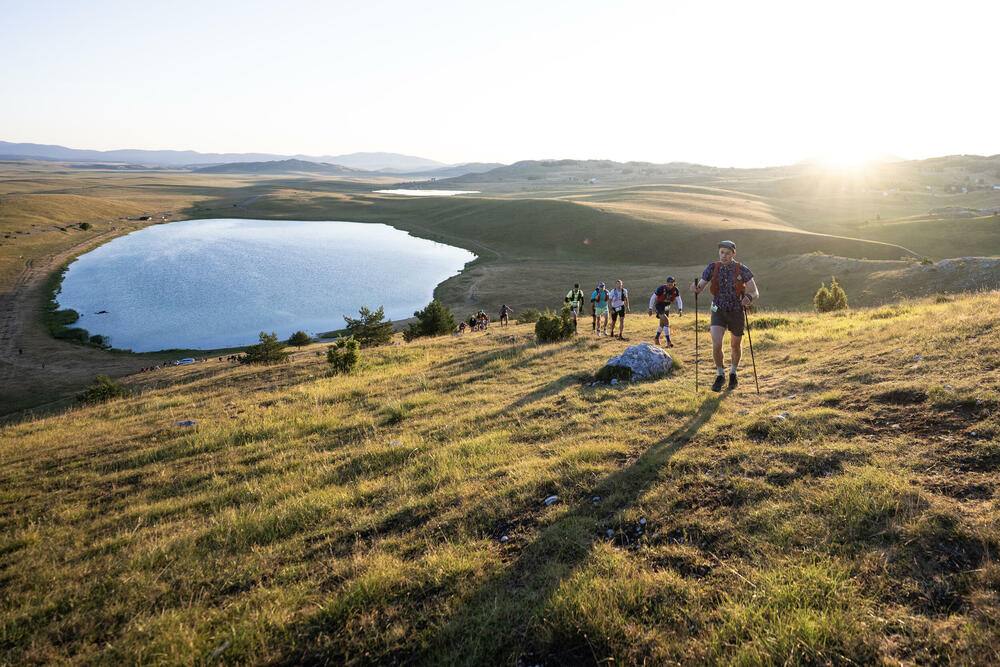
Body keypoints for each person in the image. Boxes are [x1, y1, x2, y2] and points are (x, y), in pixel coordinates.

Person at [690, 240, 760, 392]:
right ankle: (720, 375)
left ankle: (733, 373)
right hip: (718, 310)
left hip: (736, 310)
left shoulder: (742, 269)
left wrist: (749, 297)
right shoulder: (712, 268)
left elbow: (755, 292)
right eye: (722, 252)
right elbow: (700, 286)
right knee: (716, 344)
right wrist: (696, 288)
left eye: (728, 253)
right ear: (719, 253)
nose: (724, 256)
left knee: (735, 345)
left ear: (733, 254)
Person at [648, 277, 683, 346]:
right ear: (666, 283)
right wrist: (650, 308)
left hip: (667, 307)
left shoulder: (675, 290)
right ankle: (668, 342)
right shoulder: (661, 288)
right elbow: (653, 297)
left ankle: (656, 338)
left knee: (662, 323)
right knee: (666, 321)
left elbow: (679, 300)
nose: (670, 286)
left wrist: (680, 309)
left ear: (674, 284)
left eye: (671, 285)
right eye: (669, 284)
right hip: (659, 306)